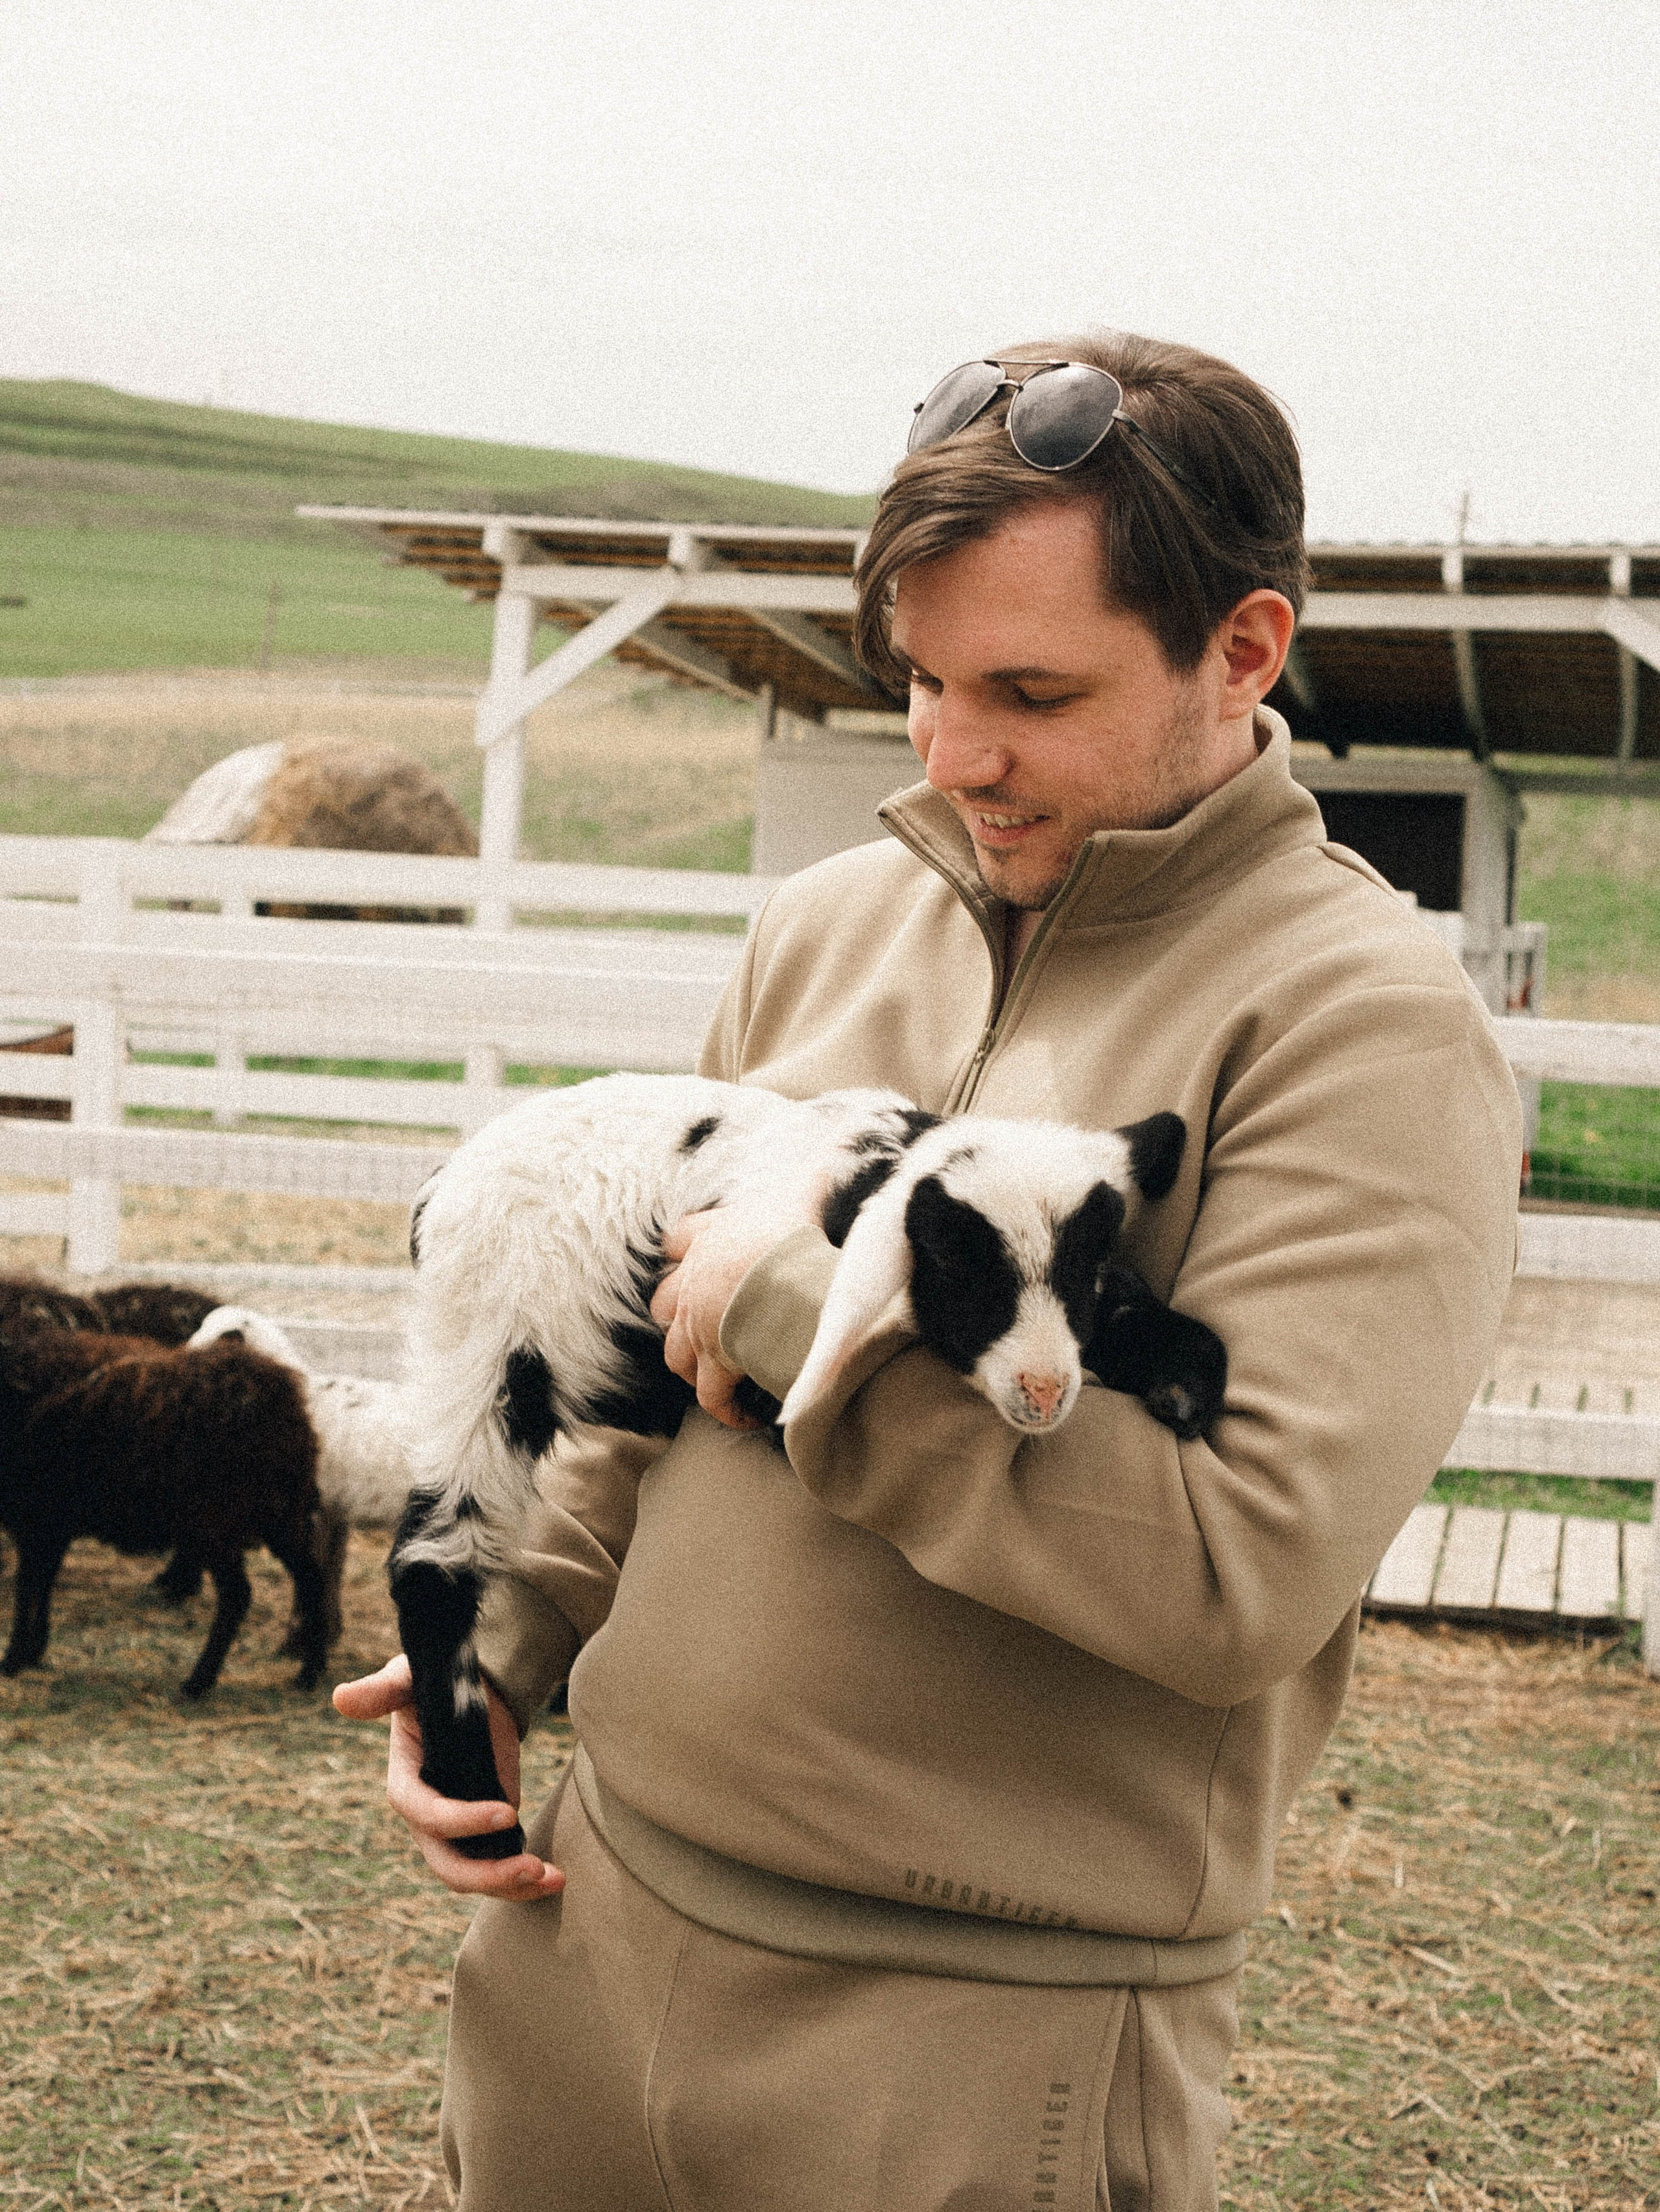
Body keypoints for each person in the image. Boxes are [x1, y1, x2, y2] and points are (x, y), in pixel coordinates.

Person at [337, 332, 1521, 2211]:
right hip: (591, 1936)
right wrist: (518, 1624)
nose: (959, 751)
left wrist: (813, 1320)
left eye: (1033, 691)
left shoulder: (1364, 1032)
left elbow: (1240, 1568)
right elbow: (648, 1378)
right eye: (927, 683)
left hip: (979, 2045)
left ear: (1245, 650)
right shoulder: (826, 928)